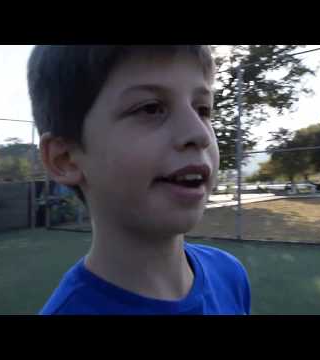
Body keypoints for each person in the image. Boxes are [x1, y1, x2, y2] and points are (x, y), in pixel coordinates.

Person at [28, 45, 251, 315]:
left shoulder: (230, 275)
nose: (199, 133)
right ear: (65, 159)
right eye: (151, 108)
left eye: (202, 109)